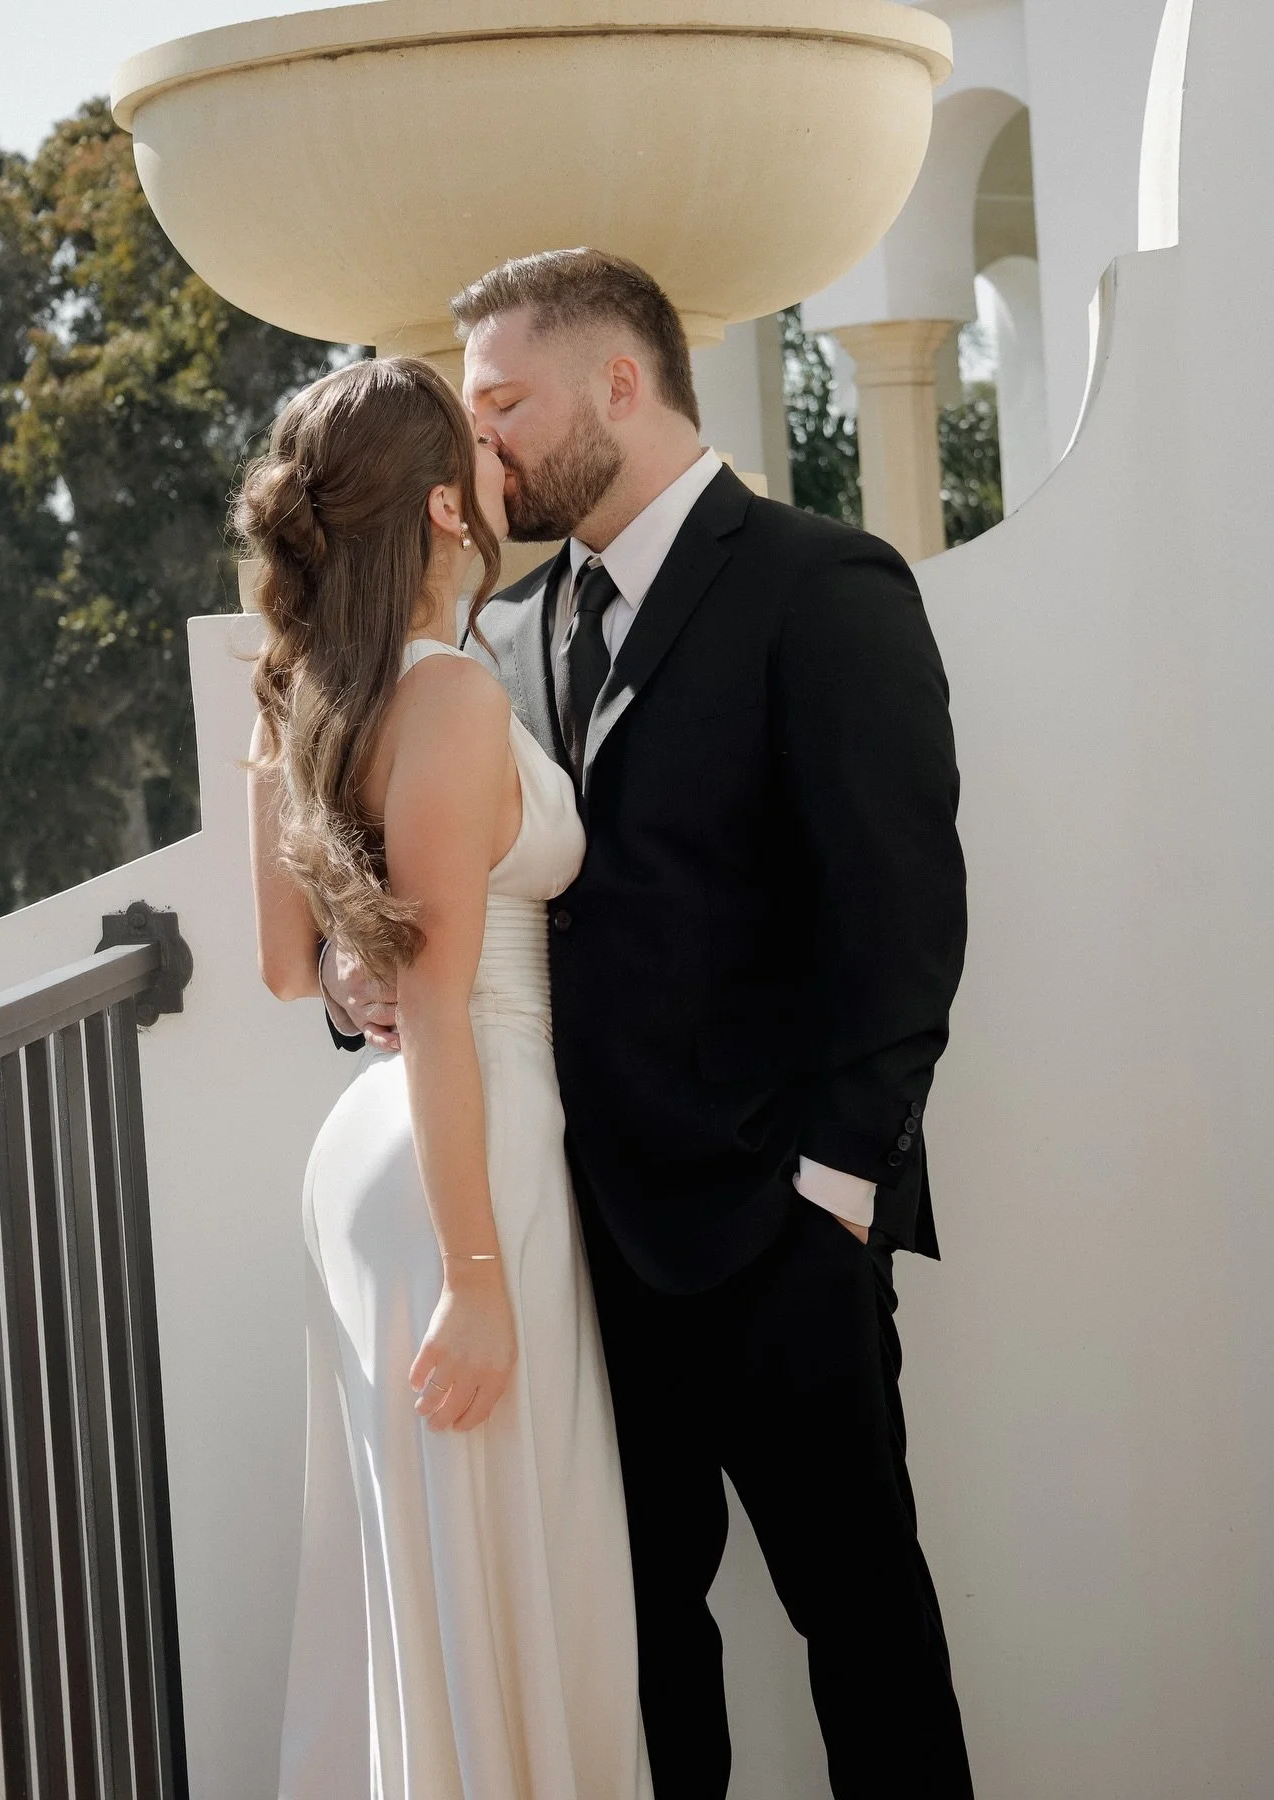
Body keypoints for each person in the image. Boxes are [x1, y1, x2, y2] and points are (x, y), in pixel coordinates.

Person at [322, 250, 975, 1799]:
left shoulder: (824, 586)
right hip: (579, 1248)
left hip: (780, 1240)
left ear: (621, 384)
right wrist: (367, 992)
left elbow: (904, 922)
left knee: (864, 1628)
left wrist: (832, 1194)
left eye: (503, 408)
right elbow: (455, 891)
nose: (479, 451)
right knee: (638, 1653)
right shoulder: (509, 628)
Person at [241, 355, 653, 1800]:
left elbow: (299, 971)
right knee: (503, 1558)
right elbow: (427, 988)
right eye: (475, 450)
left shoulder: (299, 693)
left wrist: (373, 963)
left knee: (424, 1569)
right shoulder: (456, 695)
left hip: (373, 1149)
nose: (498, 461)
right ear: (439, 507)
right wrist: (477, 1272)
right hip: (463, 1152)